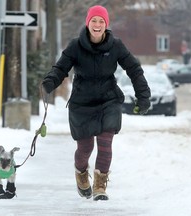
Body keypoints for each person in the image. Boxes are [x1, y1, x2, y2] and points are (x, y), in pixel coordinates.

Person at [42, 5, 151, 201]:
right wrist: (51, 81)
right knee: (85, 148)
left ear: (106, 25)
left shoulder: (116, 45)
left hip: (108, 99)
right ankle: (81, 172)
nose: (98, 24)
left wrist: (143, 96)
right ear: (88, 23)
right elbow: (61, 67)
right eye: (94, 20)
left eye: (101, 21)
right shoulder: (75, 45)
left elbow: (134, 69)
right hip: (82, 103)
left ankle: (100, 185)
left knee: (105, 142)